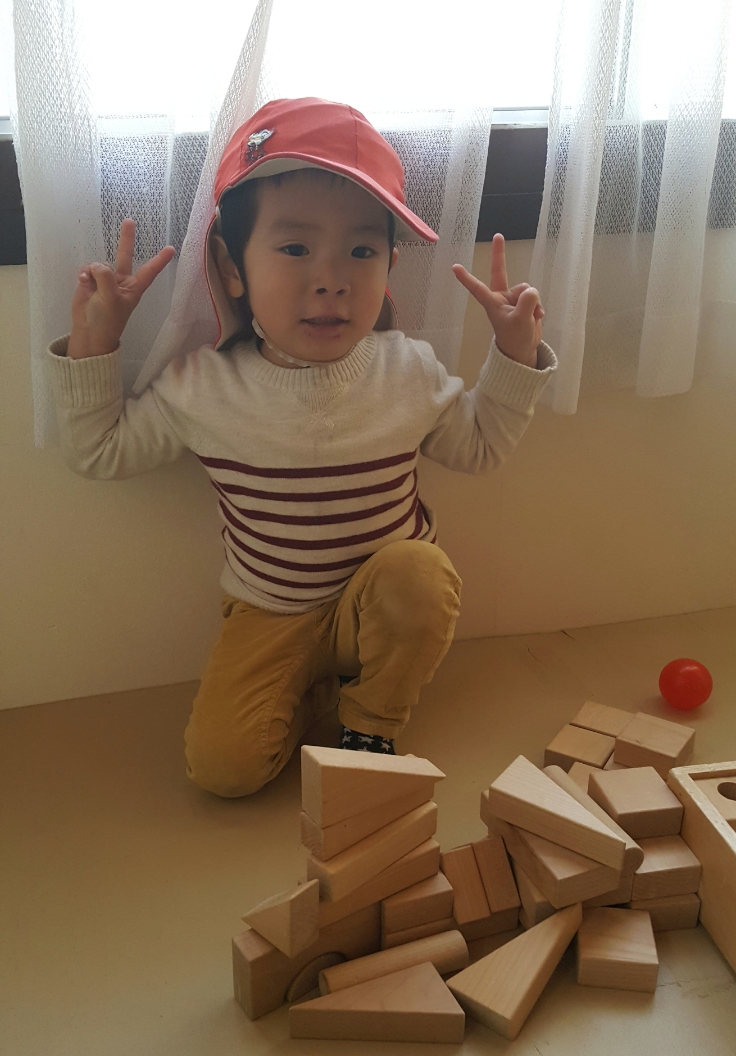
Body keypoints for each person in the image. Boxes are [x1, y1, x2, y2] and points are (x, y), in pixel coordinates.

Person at [48, 97, 557, 798]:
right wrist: (95, 343)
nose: (332, 278)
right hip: (269, 615)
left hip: (381, 604)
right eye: (294, 248)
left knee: (420, 573)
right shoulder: (203, 387)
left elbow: (479, 447)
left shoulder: (407, 369)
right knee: (223, 772)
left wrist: (514, 354)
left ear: (388, 266)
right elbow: (100, 451)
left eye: (361, 251)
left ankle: (370, 720)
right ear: (231, 267)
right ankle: (320, 686)